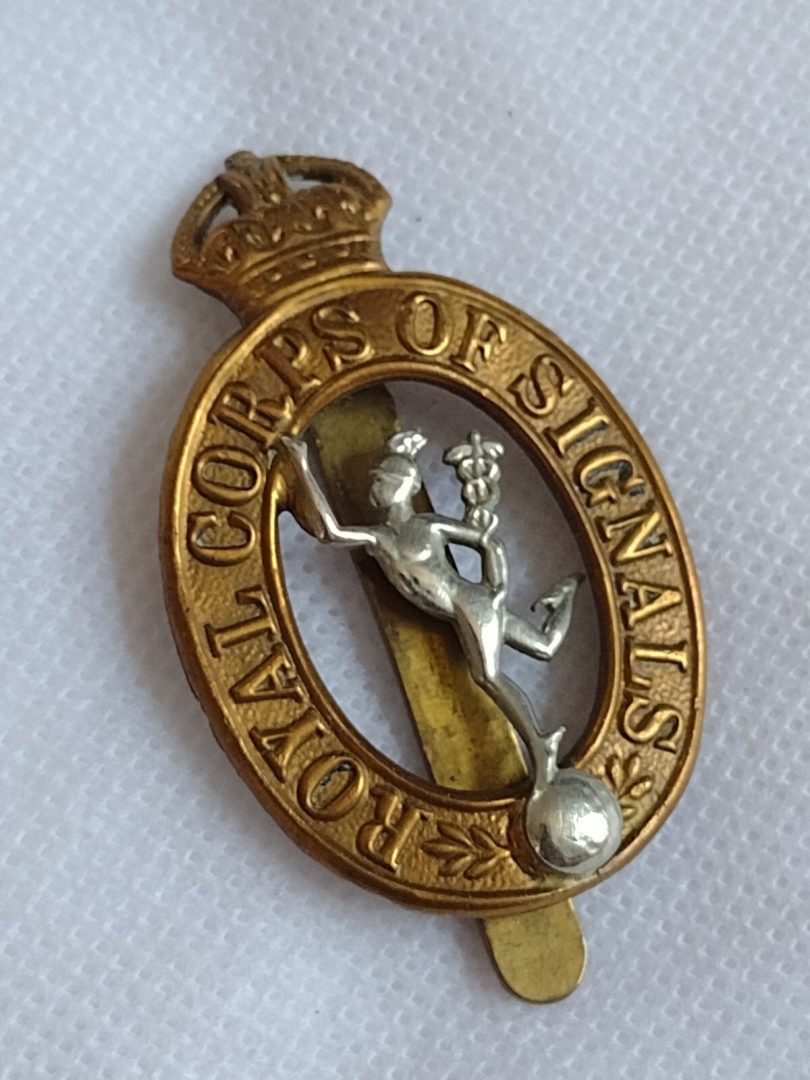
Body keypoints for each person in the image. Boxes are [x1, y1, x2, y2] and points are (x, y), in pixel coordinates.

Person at [279, 430, 581, 782]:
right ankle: (566, 592)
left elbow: (488, 543)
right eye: (377, 481)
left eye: (382, 480)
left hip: (470, 603)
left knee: (488, 676)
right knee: (544, 645)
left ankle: (540, 744)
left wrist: (496, 588)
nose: (375, 487)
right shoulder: (380, 538)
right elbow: (330, 532)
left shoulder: (427, 525)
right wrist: (301, 467)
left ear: (405, 485)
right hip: (467, 608)